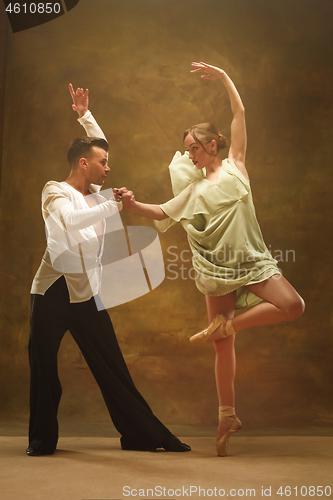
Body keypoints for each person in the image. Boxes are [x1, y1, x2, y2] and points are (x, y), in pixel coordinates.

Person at [120, 61, 305, 457]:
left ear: (212, 145)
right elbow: (161, 213)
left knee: (291, 306)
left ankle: (226, 325)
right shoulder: (194, 190)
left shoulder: (237, 167)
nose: (189, 154)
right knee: (223, 349)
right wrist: (133, 204)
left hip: (253, 262)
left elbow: (239, 114)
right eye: (186, 150)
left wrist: (223, 78)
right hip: (217, 271)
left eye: (194, 148)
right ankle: (226, 417)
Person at [26, 84, 191, 456]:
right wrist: (112, 208)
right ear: (84, 163)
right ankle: (41, 440)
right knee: (42, 366)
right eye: (103, 162)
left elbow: (98, 143)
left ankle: (145, 436)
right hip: (51, 292)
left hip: (85, 293)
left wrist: (84, 114)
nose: (108, 167)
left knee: (113, 368)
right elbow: (68, 223)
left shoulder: (98, 196)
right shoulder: (55, 192)